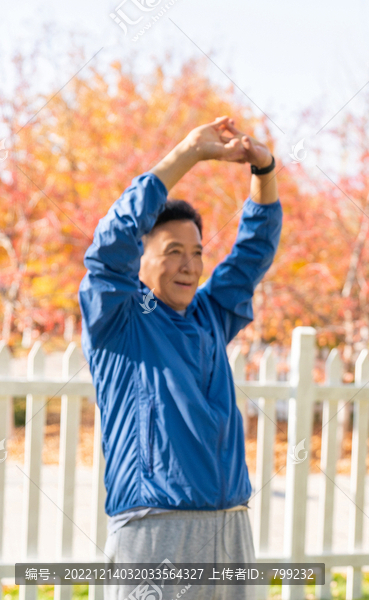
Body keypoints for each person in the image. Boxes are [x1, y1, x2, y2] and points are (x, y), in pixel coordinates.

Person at [78, 116, 281, 599]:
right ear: (140, 258)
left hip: (230, 525)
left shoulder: (209, 315)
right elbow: (109, 246)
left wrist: (265, 170)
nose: (189, 265)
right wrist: (190, 152)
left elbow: (253, 251)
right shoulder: (119, 318)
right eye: (173, 251)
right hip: (155, 527)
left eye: (196, 252)